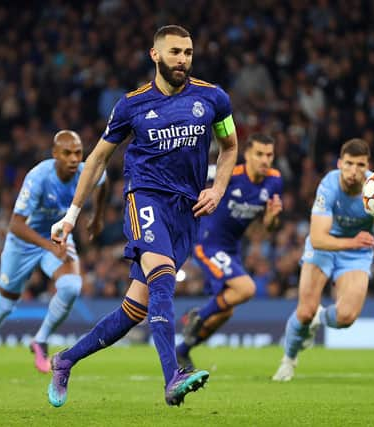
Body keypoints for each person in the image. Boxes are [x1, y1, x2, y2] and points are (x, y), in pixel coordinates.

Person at [47, 25, 238, 407]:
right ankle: (173, 378)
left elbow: (230, 145)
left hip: (186, 210)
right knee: (163, 275)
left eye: (187, 52)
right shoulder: (131, 105)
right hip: (145, 197)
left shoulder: (213, 98)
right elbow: (98, 157)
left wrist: (217, 189)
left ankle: (64, 360)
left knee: (134, 308)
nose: (182, 59)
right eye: (174, 52)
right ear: (155, 55)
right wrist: (71, 215)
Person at [0, 130, 108, 381]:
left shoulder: (85, 171)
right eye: (67, 153)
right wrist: (48, 246)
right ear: (55, 154)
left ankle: (40, 339)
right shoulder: (38, 177)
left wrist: (97, 217)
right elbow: (16, 225)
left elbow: (103, 179)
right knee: (5, 304)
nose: (74, 158)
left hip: (57, 235)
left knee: (71, 287)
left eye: (78, 152)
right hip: (24, 241)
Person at [272, 138, 374, 381]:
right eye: (349, 164)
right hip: (325, 247)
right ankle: (288, 360)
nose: (354, 171)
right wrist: (352, 242)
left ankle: (318, 320)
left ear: (368, 166)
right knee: (304, 311)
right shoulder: (329, 186)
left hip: (356, 254)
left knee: (346, 318)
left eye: (360, 165)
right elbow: (318, 238)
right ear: (339, 163)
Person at [175, 133, 283, 370]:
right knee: (247, 288)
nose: (265, 160)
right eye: (259, 154)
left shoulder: (274, 180)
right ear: (247, 155)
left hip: (232, 249)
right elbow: (191, 181)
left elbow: (269, 226)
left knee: (225, 312)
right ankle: (199, 315)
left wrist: (273, 218)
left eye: (269, 155)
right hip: (207, 243)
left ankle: (182, 351)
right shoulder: (229, 174)